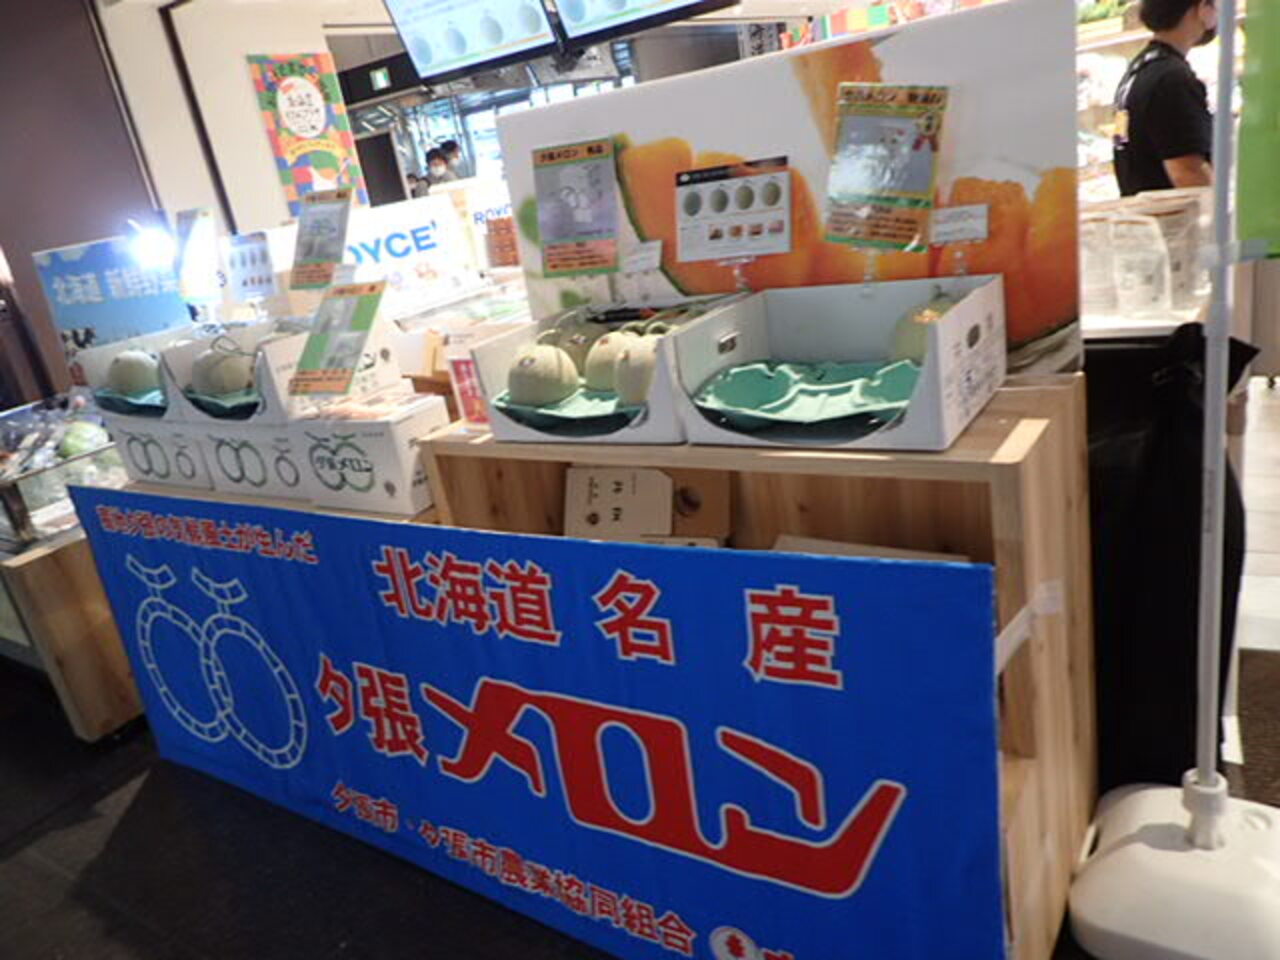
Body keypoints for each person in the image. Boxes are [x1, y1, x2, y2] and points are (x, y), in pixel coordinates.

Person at [1113, 0, 1218, 196]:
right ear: (1203, 8)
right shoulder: (1172, 80)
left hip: (1141, 207)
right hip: (1173, 213)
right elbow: (1187, 173)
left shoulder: (1139, 69)